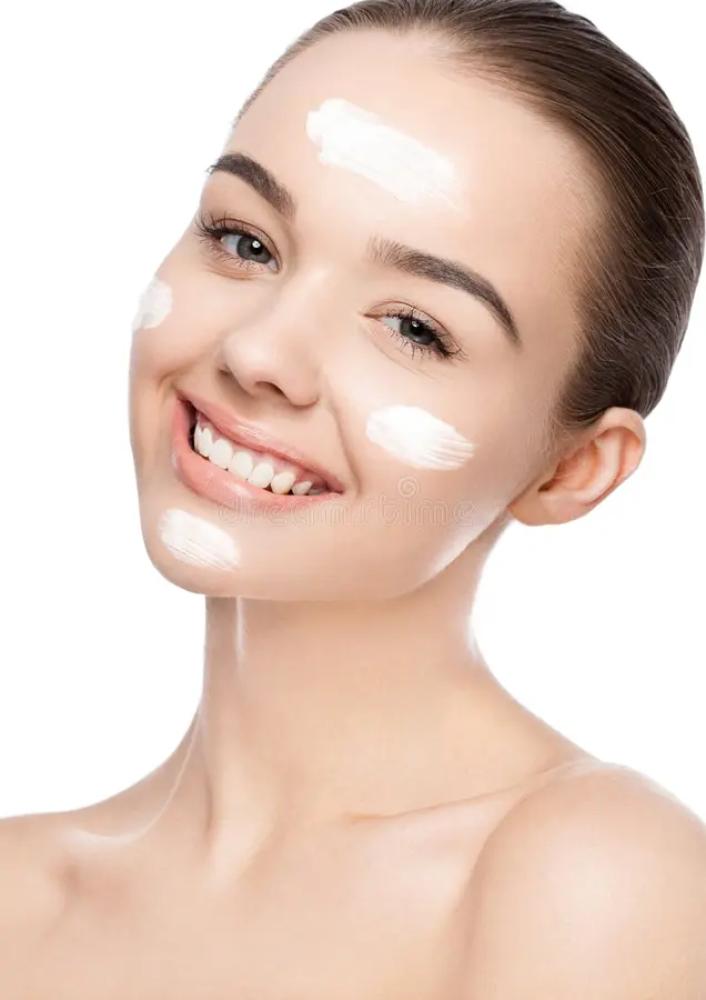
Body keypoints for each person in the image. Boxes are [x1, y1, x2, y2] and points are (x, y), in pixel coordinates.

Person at [2, 1, 705, 996]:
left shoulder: (596, 880)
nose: (256, 350)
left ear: (573, 468)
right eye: (246, 241)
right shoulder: (17, 895)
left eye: (415, 328)